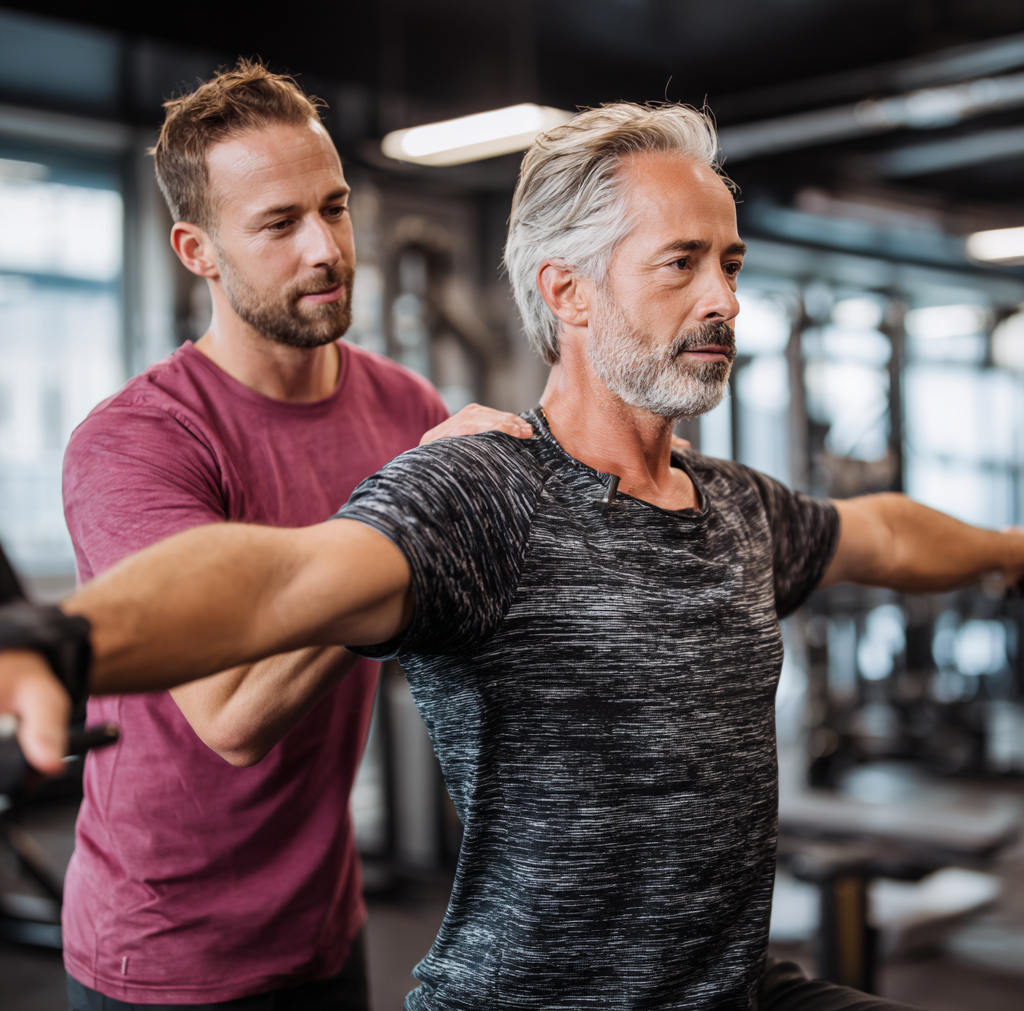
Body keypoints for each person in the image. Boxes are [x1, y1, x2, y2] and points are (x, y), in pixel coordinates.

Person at [3, 101, 1020, 1010]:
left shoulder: (720, 502)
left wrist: (1014, 546)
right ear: (566, 294)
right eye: (681, 262)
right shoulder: (459, 485)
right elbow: (280, 589)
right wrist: (62, 637)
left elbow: (878, 531)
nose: (724, 300)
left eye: (733, 263)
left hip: (346, 912)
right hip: (174, 933)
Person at [53, 60, 531, 1011]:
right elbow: (231, 718)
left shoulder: (402, 405)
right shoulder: (138, 443)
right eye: (278, 223)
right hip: (165, 957)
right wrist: (410, 508)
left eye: (335, 207)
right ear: (197, 249)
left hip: (325, 930)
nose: (325, 248)